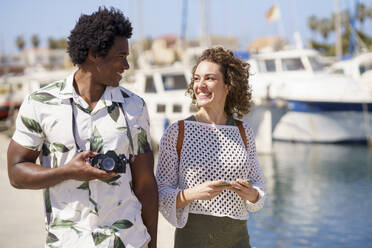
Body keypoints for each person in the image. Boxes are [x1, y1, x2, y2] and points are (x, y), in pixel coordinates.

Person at [7, 7, 158, 248]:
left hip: (128, 241)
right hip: (67, 242)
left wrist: (152, 244)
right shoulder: (40, 103)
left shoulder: (134, 107)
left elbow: (146, 184)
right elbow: (16, 173)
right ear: (94, 54)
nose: (126, 65)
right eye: (121, 56)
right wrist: (68, 172)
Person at [156, 47, 266, 248]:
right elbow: (161, 194)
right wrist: (193, 193)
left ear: (228, 85)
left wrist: (251, 194)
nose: (200, 85)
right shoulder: (177, 132)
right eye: (197, 79)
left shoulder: (244, 131)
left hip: (238, 241)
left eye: (209, 78)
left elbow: (259, 191)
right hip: (193, 241)